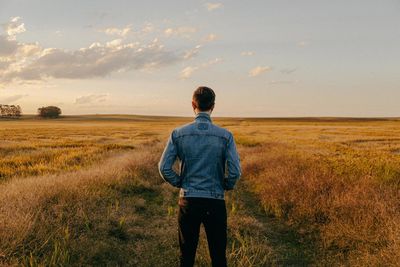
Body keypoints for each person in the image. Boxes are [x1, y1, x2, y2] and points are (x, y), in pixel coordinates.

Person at [158, 86, 242, 267]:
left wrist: (180, 182)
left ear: (192, 105)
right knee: (219, 256)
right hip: (215, 201)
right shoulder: (226, 136)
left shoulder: (178, 134)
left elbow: (164, 168)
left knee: (186, 256)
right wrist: (225, 184)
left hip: (188, 200)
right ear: (213, 106)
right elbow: (235, 171)